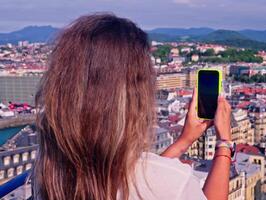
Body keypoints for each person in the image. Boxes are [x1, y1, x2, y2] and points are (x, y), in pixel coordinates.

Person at [33, 13, 232, 200]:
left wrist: (183, 142)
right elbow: (150, 180)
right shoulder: (175, 182)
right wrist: (224, 142)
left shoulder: (49, 168)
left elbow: (132, 177)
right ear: (137, 96)